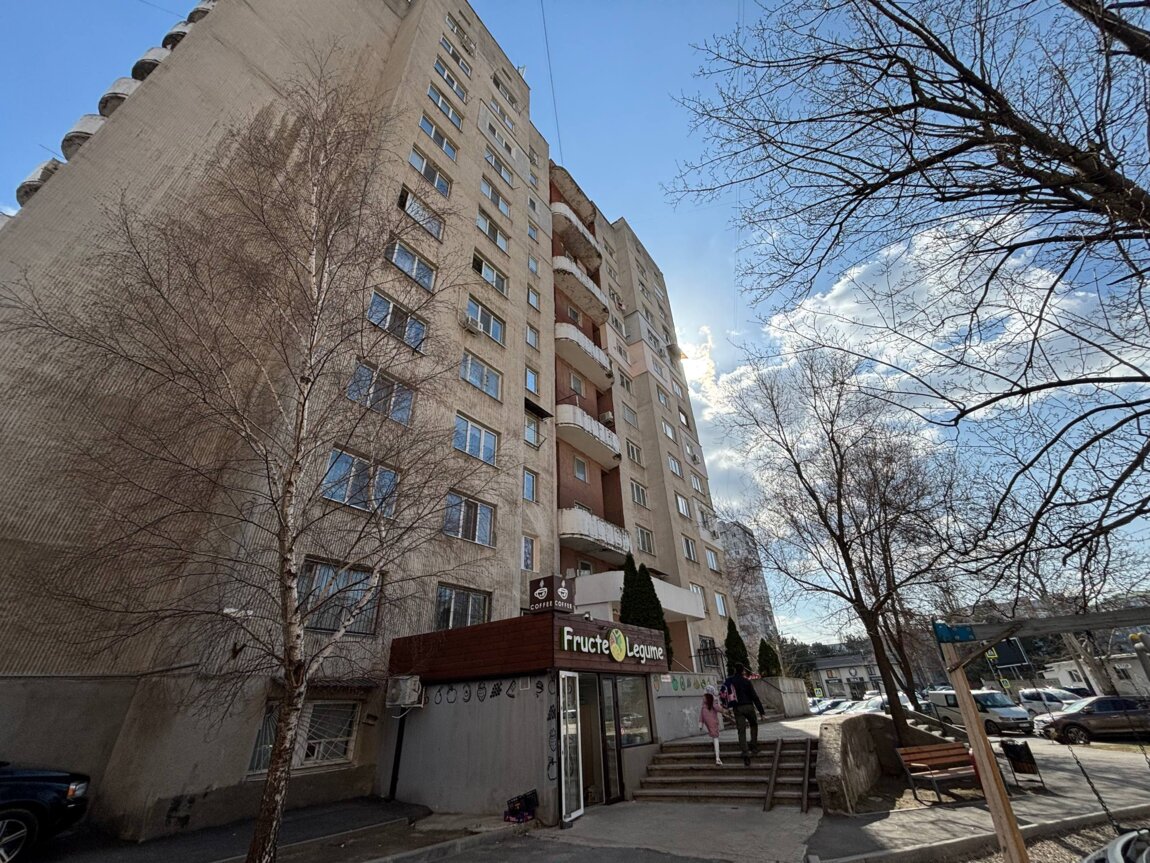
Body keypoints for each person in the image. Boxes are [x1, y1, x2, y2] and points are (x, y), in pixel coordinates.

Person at [722, 663, 766, 765]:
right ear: (743, 671)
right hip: (748, 706)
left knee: (741, 730)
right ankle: (753, 746)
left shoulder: (730, 681)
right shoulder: (746, 681)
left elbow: (725, 693)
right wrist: (761, 712)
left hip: (737, 708)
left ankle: (745, 752)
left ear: (734, 670)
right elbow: (754, 696)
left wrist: (726, 707)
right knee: (753, 724)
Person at [699, 685, 723, 765]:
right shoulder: (713, 699)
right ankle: (717, 758)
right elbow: (717, 708)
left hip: (706, 720)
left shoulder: (704, 701)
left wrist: (701, 723)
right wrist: (724, 710)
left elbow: (701, 712)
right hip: (713, 719)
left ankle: (717, 754)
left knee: (713, 736)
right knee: (716, 737)